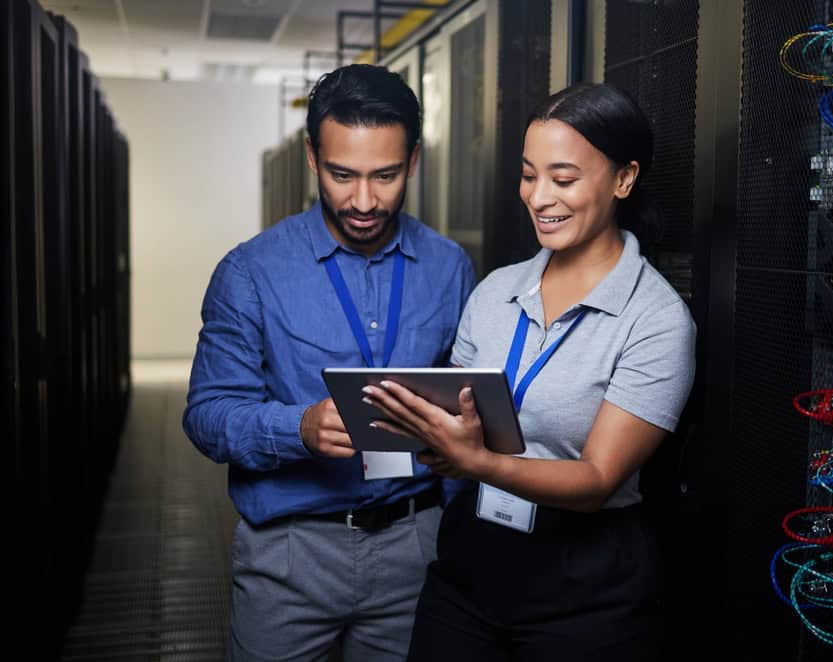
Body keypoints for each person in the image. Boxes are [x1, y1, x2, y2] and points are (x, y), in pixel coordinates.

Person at [362, 82, 697, 662]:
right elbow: (457, 411)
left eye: (563, 179)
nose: (539, 197)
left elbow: (596, 481)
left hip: (587, 586)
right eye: (528, 175)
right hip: (472, 563)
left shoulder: (657, 319)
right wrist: (426, 436)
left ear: (624, 179)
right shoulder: (495, 291)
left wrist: (479, 461)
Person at [182, 64, 476, 662]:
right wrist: (298, 428)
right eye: (343, 175)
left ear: (413, 162)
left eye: (386, 176)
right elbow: (208, 415)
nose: (364, 200)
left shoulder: (450, 268)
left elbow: (468, 407)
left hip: (416, 546)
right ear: (314, 158)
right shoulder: (250, 272)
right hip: (289, 554)